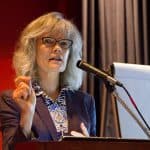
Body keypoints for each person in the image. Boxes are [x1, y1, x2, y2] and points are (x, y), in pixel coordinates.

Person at [0, 12, 96, 150]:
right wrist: (27, 116)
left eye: (64, 43)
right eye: (49, 41)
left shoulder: (85, 102)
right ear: (32, 49)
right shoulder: (11, 100)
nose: (57, 48)